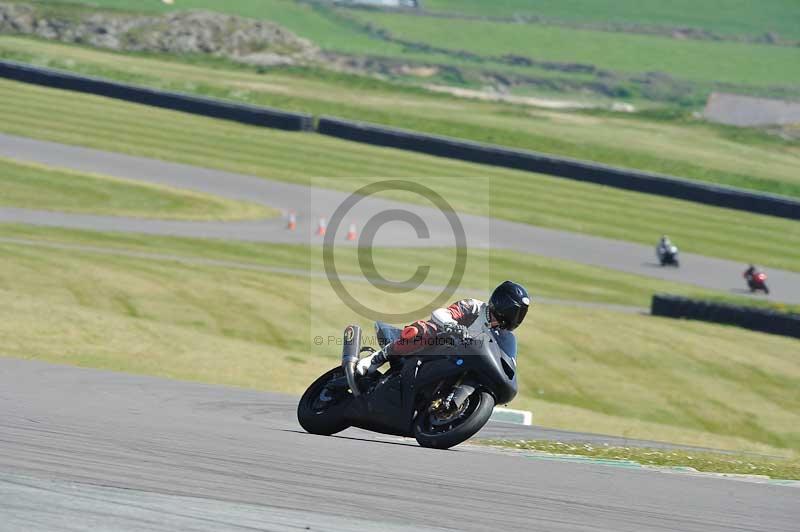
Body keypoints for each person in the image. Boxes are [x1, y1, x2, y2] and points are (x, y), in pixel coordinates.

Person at [356, 281, 531, 376]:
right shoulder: (474, 307)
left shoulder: (503, 334)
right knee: (425, 331)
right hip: (439, 347)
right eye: (514, 312)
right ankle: (377, 358)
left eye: (519, 314)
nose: (516, 317)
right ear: (501, 303)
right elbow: (441, 313)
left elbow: (506, 359)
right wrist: (452, 325)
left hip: (462, 363)